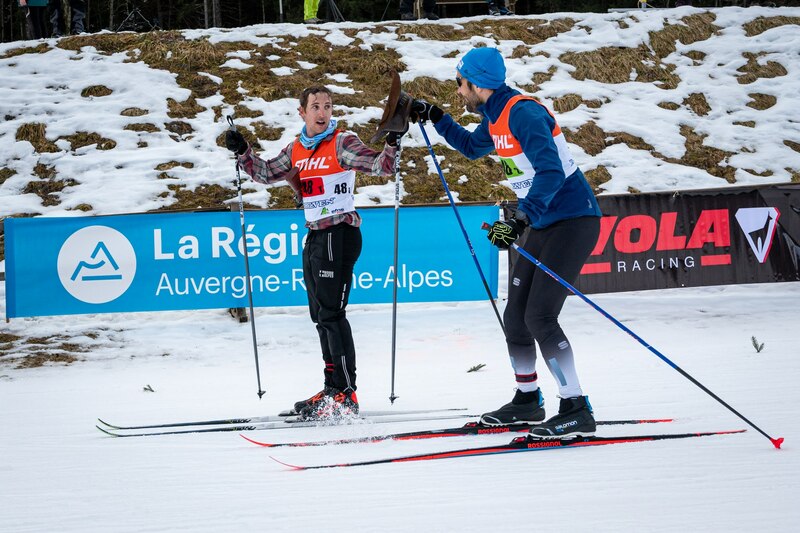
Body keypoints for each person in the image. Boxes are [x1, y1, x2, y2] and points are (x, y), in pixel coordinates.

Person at [409, 47, 602, 439]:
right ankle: (527, 399)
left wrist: (520, 218)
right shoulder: (495, 114)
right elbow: (471, 147)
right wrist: (437, 117)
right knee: (516, 316)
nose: (458, 90)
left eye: (460, 82)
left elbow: (550, 172)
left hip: (573, 220)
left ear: (477, 83)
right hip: (544, 221)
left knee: (540, 316)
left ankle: (576, 407)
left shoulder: (522, 113)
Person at [225, 86, 401, 420]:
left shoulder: (341, 142)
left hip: (340, 233)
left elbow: (380, 165)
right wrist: (243, 150)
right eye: (315, 106)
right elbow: (265, 172)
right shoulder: (297, 148)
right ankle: (331, 387)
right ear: (302, 112)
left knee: (332, 315)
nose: (322, 112)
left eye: (328, 106)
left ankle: (345, 392)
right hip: (316, 235)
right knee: (320, 316)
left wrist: (392, 142)